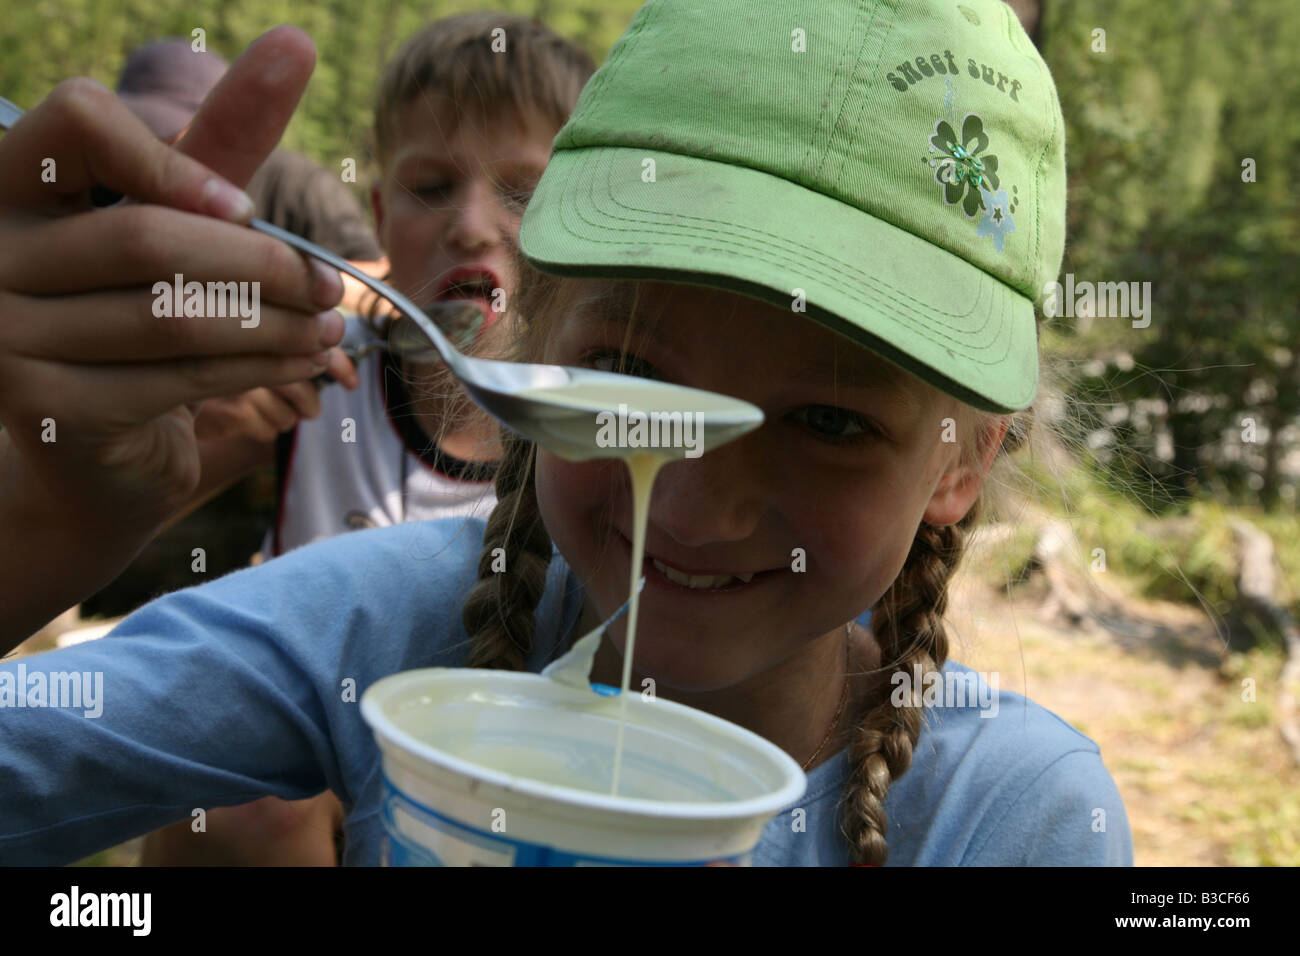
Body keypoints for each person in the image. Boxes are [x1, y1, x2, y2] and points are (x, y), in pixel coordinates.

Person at [0, 0, 1132, 866]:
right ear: (531, 333)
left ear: (967, 457)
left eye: (829, 420)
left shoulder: (1013, 817)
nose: (686, 507)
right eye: (626, 373)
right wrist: (47, 524)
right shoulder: (380, 627)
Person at [140, 11, 596, 866]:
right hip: (303, 788)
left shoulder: (590, 437)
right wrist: (206, 425)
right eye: (432, 188)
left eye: (522, 191)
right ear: (381, 220)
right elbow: (134, 501)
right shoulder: (316, 383)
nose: (470, 223)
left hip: (499, 812)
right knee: (248, 809)